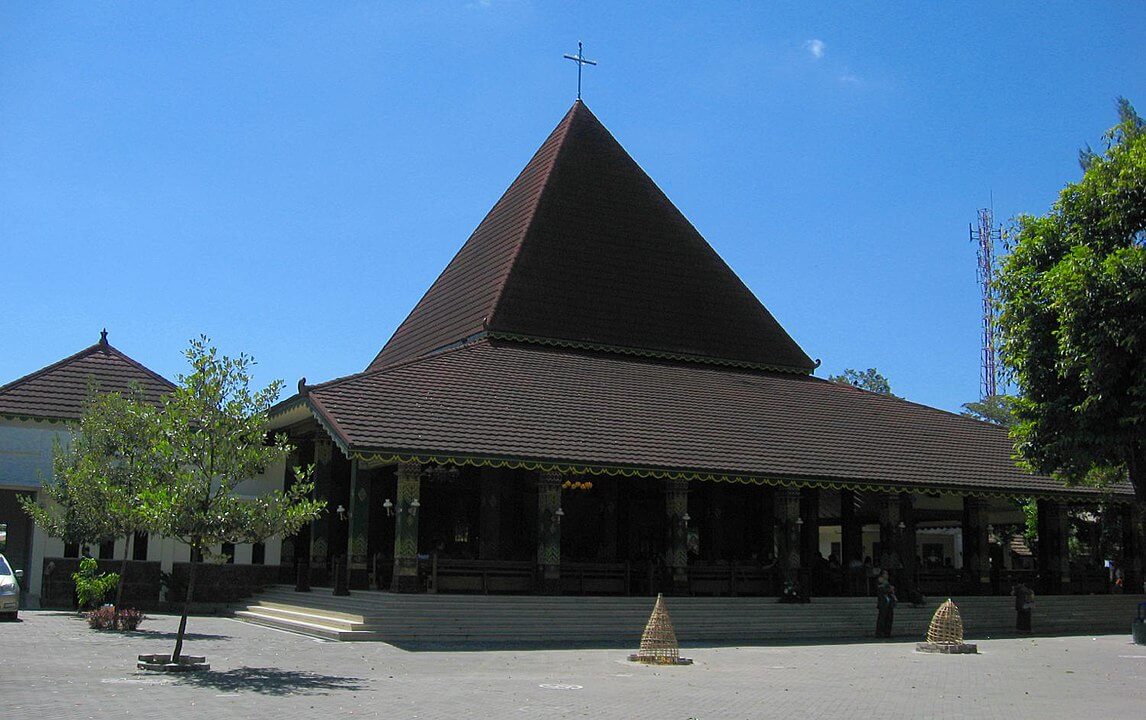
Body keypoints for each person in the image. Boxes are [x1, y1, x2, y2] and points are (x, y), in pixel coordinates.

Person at [875, 569, 896, 638]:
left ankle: (887, 633)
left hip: (889, 602)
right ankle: (880, 633)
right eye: (885, 574)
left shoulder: (887, 582)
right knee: (882, 618)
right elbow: (883, 589)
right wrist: (890, 589)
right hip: (883, 602)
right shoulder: (880, 581)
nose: (886, 575)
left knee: (889, 618)